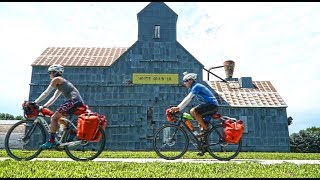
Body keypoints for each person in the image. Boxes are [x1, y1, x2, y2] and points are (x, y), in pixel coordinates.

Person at [33, 64, 85, 149]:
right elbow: (54, 98)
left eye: (50, 72)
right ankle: (71, 131)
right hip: (77, 102)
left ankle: (51, 141)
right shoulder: (61, 83)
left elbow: (46, 93)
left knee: (54, 118)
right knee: (59, 119)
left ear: (55, 72)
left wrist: (35, 102)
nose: (49, 74)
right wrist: (44, 106)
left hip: (74, 101)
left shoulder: (56, 79)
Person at [171, 72, 219, 137]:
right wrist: (179, 108)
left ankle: (206, 129)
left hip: (212, 105)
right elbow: (188, 100)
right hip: (210, 106)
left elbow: (188, 98)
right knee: (199, 122)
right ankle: (203, 144)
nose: (184, 83)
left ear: (190, 81)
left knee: (193, 111)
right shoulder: (193, 88)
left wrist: (178, 108)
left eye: (185, 81)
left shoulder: (197, 86)